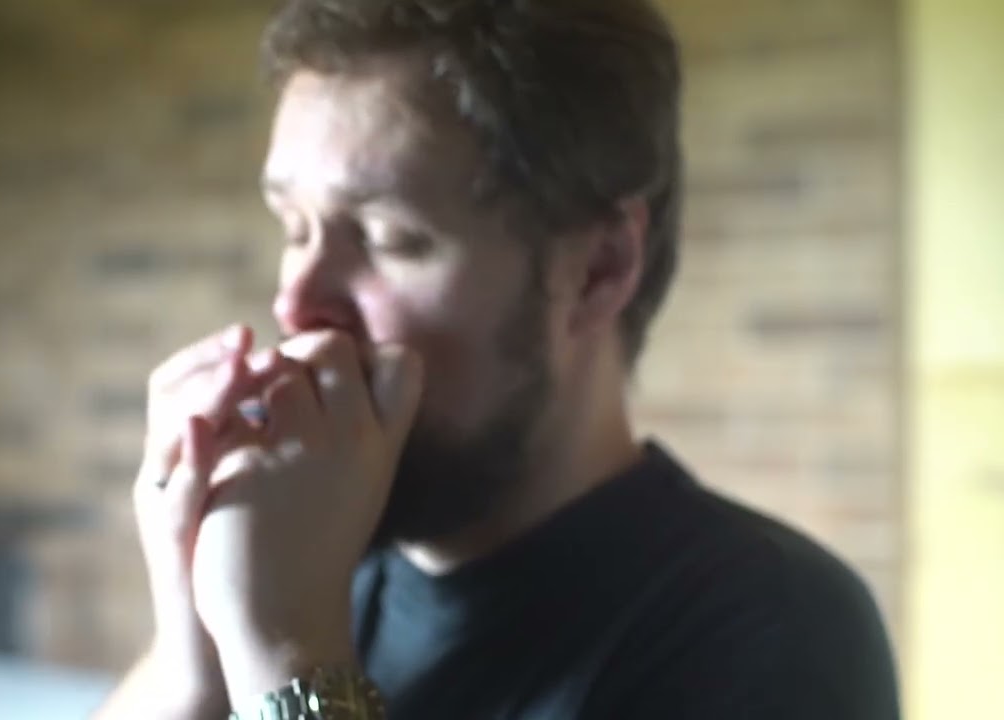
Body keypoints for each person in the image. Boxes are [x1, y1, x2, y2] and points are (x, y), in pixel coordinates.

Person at [97, 1, 902, 718]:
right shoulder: (310, 565)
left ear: (598, 270)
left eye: (387, 238)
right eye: (293, 227)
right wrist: (193, 653)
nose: (297, 305)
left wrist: (290, 662)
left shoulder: (770, 629)